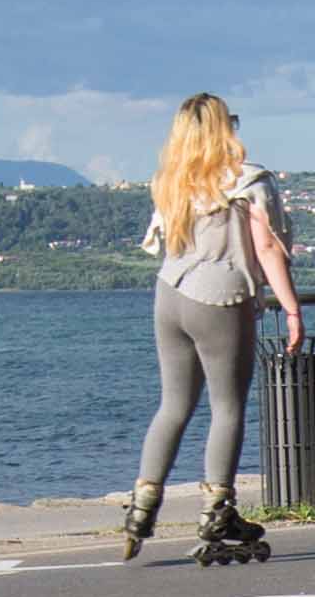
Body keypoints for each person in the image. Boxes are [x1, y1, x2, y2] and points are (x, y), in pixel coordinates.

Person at [125, 93, 299, 565]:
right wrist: (291, 310)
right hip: (220, 297)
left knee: (173, 405)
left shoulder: (171, 181)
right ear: (225, 128)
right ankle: (217, 510)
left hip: (170, 295)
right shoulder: (246, 180)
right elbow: (267, 248)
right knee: (227, 407)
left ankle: (142, 505)